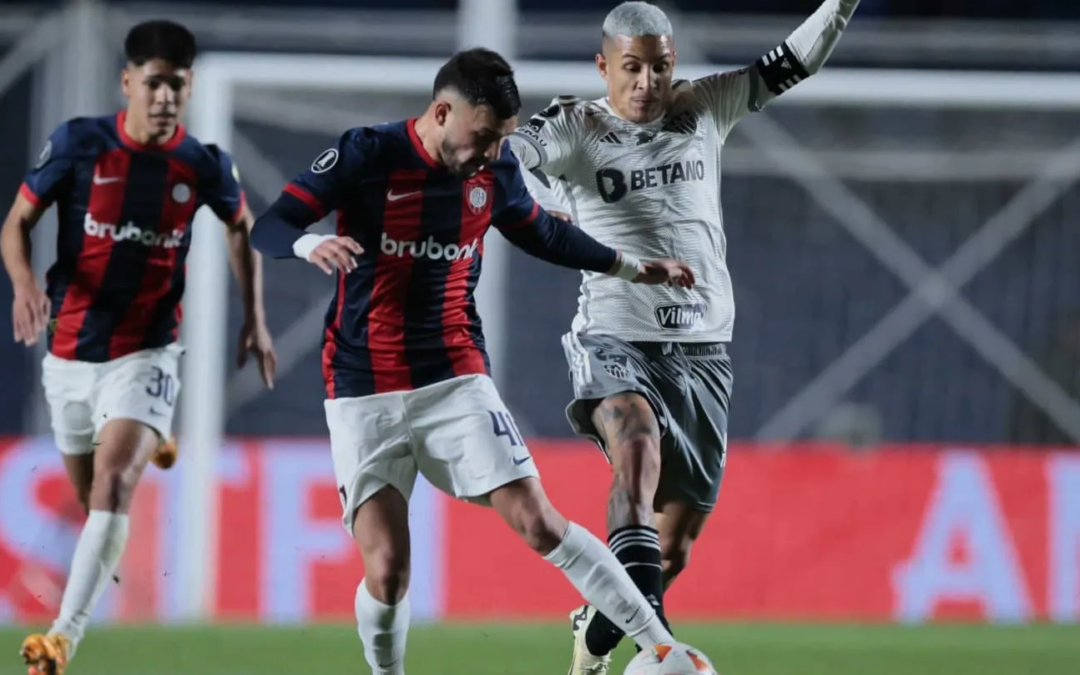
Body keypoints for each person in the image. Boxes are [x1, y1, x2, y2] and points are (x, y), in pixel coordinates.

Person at [251, 47, 693, 675]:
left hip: (455, 376)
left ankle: (664, 647)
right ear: (442, 112)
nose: (491, 153)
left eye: (502, 141)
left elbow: (542, 232)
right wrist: (310, 240)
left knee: (540, 522)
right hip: (361, 385)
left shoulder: (496, 168)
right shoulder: (367, 154)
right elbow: (270, 224)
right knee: (388, 569)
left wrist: (629, 265)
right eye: (484, 137)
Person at [508, 1, 862, 671]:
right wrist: (543, 200)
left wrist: (839, 5)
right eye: (633, 68)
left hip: (703, 350)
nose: (647, 83)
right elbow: (512, 158)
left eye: (661, 67)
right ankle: (661, 646)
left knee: (671, 549)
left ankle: (597, 630)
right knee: (634, 448)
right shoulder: (576, 124)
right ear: (603, 66)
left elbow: (791, 62)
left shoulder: (705, 106)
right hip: (615, 334)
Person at [2, 20, 277, 675]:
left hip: (147, 351)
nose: (164, 97)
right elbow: (16, 222)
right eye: (154, 83)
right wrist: (19, 285)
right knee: (89, 488)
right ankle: (150, 437)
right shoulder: (79, 145)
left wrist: (255, 318)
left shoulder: (201, 163)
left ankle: (61, 637)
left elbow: (242, 227)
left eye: (177, 86)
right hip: (69, 355)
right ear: (128, 81)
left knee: (113, 483)